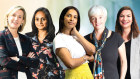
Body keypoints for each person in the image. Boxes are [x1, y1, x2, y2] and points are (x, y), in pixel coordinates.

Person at [84, 5, 127, 79]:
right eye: (93, 18)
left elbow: (123, 62)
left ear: (105, 18)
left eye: (100, 17)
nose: (97, 21)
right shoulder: (85, 39)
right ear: (90, 20)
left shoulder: (116, 37)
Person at [53, 6, 95, 79]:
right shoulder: (59, 39)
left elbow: (92, 50)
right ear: (62, 19)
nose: (72, 19)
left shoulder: (76, 37)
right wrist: (86, 57)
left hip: (87, 75)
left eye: (75, 17)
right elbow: (71, 64)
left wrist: (76, 33)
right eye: (69, 16)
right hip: (74, 76)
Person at [0, 6, 39, 79]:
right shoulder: (1, 36)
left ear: (23, 21)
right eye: (13, 15)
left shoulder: (26, 39)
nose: (16, 19)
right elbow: (4, 61)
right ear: (8, 17)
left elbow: (36, 62)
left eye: (19, 17)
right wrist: (26, 64)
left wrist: (17, 58)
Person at [25, 7, 65, 79]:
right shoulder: (27, 38)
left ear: (48, 20)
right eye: (37, 19)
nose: (40, 22)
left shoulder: (55, 39)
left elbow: (61, 63)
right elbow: (20, 58)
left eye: (43, 19)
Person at [115, 6, 140, 79]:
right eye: (122, 16)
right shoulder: (113, 38)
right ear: (118, 19)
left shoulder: (139, 39)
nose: (125, 19)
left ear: (132, 19)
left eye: (128, 16)